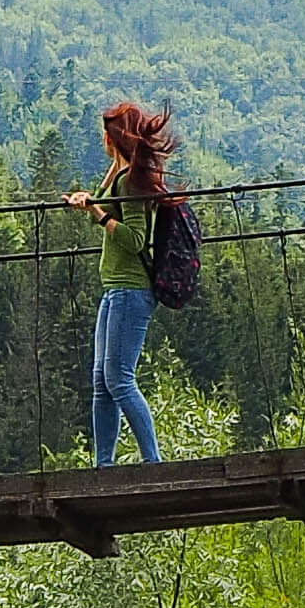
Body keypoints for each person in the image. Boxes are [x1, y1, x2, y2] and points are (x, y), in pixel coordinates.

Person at [64, 100, 170, 465]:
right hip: (115, 291)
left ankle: (152, 462)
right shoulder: (123, 176)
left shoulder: (132, 182)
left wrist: (94, 212)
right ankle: (103, 465)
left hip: (131, 290)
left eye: (106, 135)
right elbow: (109, 203)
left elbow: (135, 238)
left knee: (119, 379)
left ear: (115, 138)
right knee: (101, 381)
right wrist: (98, 192)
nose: (102, 140)